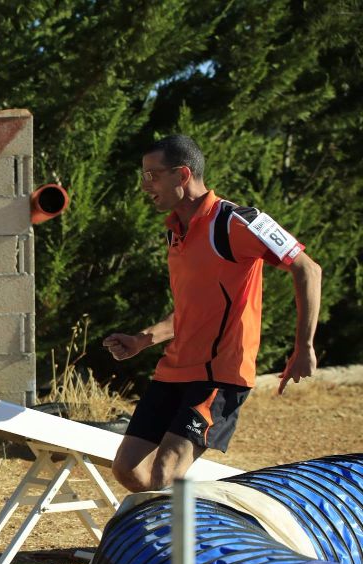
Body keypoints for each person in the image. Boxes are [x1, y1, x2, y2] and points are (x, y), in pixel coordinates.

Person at [103, 134, 322, 492]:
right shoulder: (174, 232)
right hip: (174, 369)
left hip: (221, 373)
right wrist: (144, 339)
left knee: (166, 472)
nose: (145, 186)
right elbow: (192, 309)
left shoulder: (238, 222)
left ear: (182, 174)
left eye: (152, 176)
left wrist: (304, 345)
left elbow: (308, 269)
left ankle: (181, 541)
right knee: (128, 469)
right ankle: (179, 533)